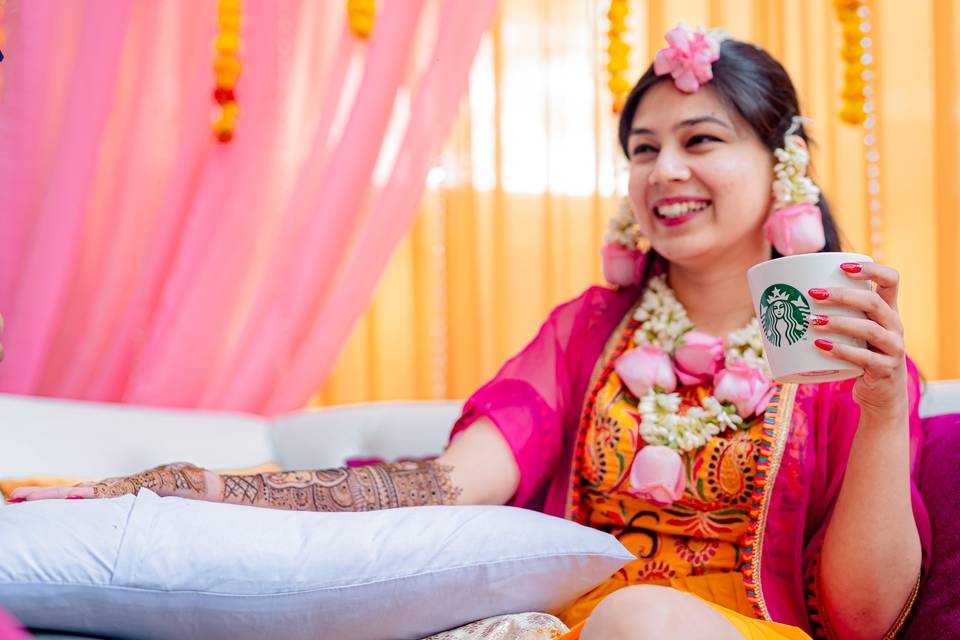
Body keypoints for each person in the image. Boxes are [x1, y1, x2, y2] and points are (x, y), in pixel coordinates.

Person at [8, 24, 930, 640]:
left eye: (701, 139)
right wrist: (167, 491)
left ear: (784, 165)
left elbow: (867, 619)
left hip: (728, 631)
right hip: (571, 627)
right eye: (642, 148)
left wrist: (886, 414)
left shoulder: (852, 350)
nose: (664, 170)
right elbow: (444, 487)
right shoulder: (588, 333)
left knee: (641, 625)